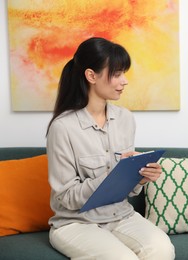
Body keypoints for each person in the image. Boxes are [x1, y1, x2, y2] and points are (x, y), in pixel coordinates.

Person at [46, 37, 175, 260]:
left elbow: (127, 189)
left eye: (123, 73)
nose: (124, 81)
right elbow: (65, 197)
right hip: (75, 223)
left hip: (120, 215)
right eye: (116, 74)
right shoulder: (63, 128)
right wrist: (112, 174)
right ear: (91, 76)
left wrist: (140, 178)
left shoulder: (125, 118)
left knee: (162, 249)